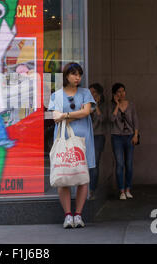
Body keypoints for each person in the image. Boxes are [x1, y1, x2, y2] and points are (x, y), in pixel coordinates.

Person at [48, 62, 96, 228]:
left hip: (83, 138)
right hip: (64, 138)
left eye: (79, 74)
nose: (78, 77)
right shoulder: (57, 95)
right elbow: (54, 117)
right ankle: (68, 215)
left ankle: (79, 215)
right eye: (74, 74)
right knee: (64, 176)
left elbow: (86, 111)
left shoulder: (85, 92)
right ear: (66, 75)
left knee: (83, 177)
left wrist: (66, 115)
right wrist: (76, 115)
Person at [110, 83, 139, 200]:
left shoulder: (131, 105)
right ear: (114, 94)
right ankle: (121, 191)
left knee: (129, 164)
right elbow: (111, 120)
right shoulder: (111, 106)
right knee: (120, 164)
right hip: (116, 137)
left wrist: (135, 135)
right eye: (118, 92)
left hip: (130, 136)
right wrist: (117, 105)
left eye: (123, 91)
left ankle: (128, 189)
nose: (121, 93)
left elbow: (136, 120)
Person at [88, 83, 106, 200]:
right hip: (86, 137)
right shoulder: (86, 105)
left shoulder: (103, 106)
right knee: (85, 164)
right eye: (90, 92)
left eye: (94, 92)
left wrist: (97, 105)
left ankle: (92, 189)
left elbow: (102, 119)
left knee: (94, 164)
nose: (92, 94)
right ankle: (86, 188)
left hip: (98, 136)